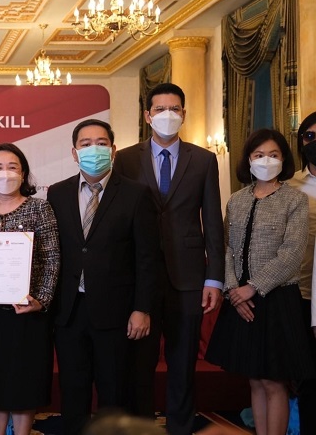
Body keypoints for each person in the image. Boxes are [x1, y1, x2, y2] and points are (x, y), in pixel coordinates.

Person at [112, 82, 224, 435]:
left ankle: (180, 428)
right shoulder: (126, 158)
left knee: (182, 363)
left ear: (184, 114)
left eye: (174, 109)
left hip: (188, 278)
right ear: (148, 116)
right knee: (140, 364)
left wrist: (214, 277)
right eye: (160, 109)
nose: (167, 115)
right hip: (140, 277)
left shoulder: (203, 159)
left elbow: (213, 221)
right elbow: (119, 218)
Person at [46, 119, 158, 435]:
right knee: (73, 391)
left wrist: (142, 308)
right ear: (74, 152)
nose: (93, 149)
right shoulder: (57, 193)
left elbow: (147, 257)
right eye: (85, 144)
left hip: (116, 312)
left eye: (101, 143)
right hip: (69, 310)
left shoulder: (136, 194)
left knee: (114, 392)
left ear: (113, 149)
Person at [206, 128, 315, 435]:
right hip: (240, 300)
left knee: (274, 381)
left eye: (273, 154)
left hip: (277, 298)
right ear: (249, 160)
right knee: (254, 379)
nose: (266, 160)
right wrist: (233, 290)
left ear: (284, 159)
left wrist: (253, 287)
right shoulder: (237, 200)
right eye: (259, 155)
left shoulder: (295, 199)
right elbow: (226, 248)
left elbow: (292, 253)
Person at [0, 143, 59, 435]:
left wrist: (41, 300)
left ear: (23, 173)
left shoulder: (40, 208)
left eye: (12, 167)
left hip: (26, 314)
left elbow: (52, 258)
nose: (5, 173)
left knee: (24, 383)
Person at [290, 111, 316, 435]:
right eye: (309, 136)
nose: (315, 142)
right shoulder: (290, 186)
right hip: (301, 292)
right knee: (307, 375)